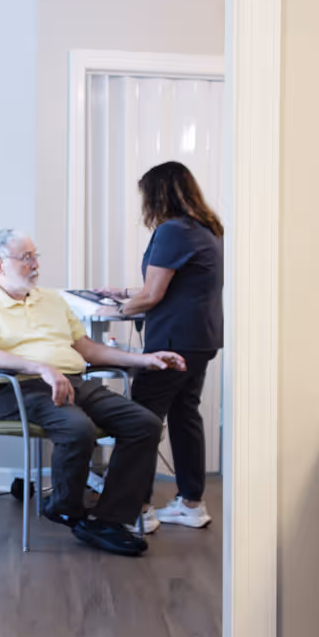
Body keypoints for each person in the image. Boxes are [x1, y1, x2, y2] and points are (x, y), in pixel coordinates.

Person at [0, 228, 185, 557]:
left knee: (145, 424)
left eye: (36, 256)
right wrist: (41, 368)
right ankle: (66, 507)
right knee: (77, 428)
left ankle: (108, 519)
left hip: (72, 382)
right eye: (27, 258)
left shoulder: (52, 300)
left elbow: (87, 349)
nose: (36, 264)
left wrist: (144, 359)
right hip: (18, 389)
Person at [96, 160, 225, 530]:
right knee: (185, 416)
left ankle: (134, 510)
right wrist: (123, 292)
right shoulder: (206, 229)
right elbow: (174, 286)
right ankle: (191, 503)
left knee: (141, 419)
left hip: (173, 341)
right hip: (200, 338)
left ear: (159, 194)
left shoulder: (173, 230)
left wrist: (116, 309)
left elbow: (153, 295)